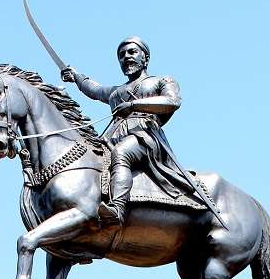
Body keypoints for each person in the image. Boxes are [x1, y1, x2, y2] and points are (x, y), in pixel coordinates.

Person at [61, 36, 193, 225]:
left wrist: (133, 105)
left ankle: (117, 209)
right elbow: (94, 89)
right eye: (122, 55)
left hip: (144, 136)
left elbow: (172, 101)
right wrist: (75, 76)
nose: (126, 57)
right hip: (111, 137)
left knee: (121, 152)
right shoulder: (116, 91)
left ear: (145, 57)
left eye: (132, 52)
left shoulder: (161, 81)